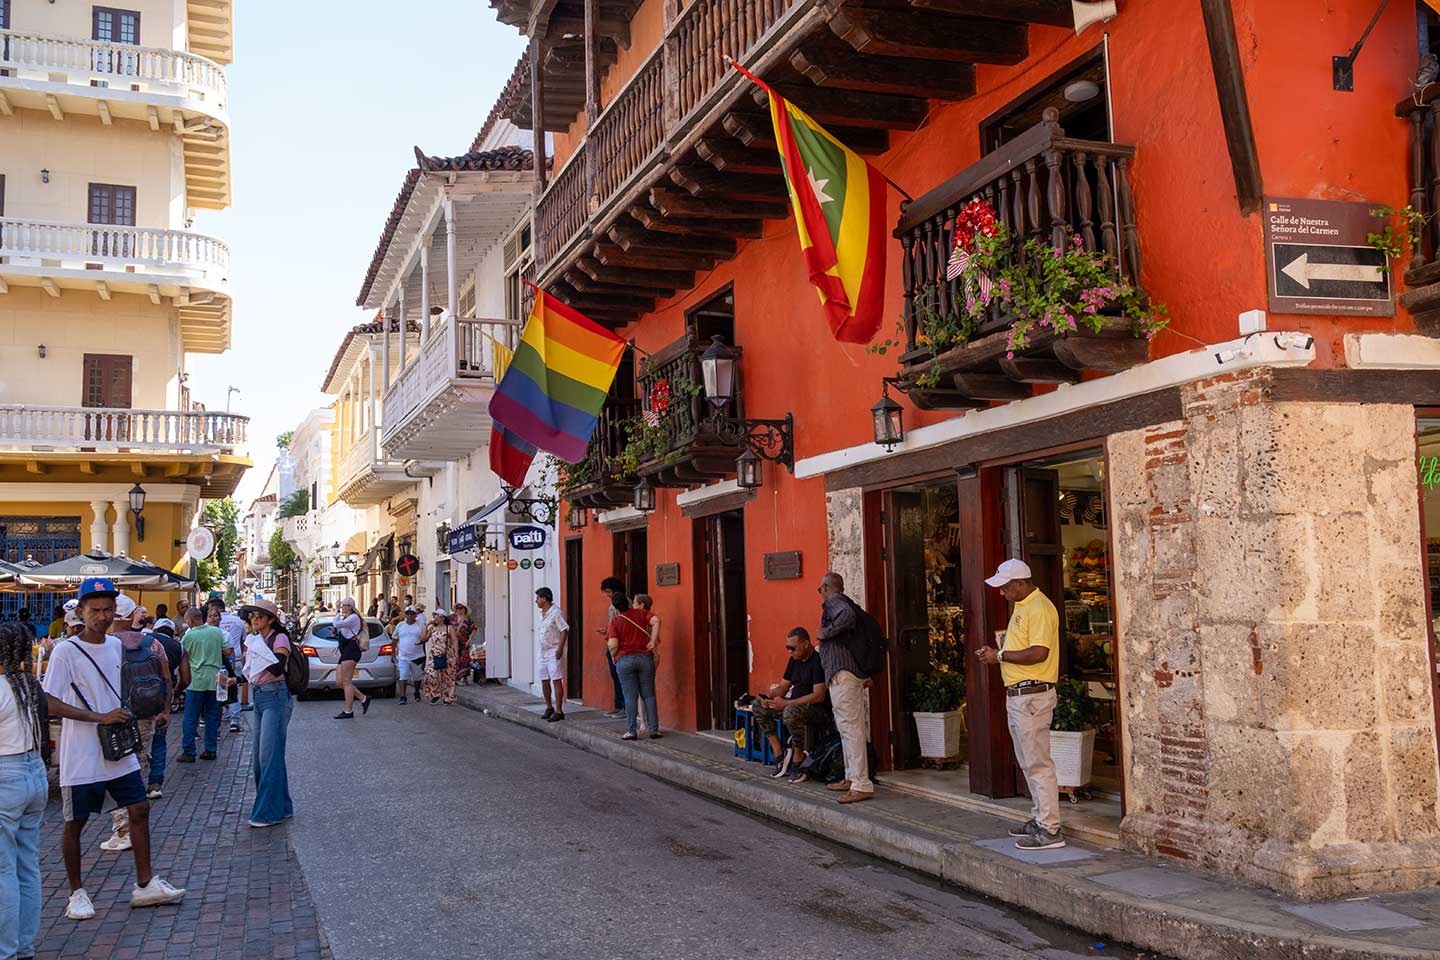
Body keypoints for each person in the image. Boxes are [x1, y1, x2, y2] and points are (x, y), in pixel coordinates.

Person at [41, 577, 186, 920]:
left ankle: (145, 883)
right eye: (95, 610)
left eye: (108, 610)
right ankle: (76, 893)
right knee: (74, 822)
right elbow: (48, 701)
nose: (103, 616)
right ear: (81, 612)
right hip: (81, 753)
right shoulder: (65, 651)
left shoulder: (115, 647)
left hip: (118, 750)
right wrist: (98, 717)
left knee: (138, 809)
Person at [977, 559, 1064, 850]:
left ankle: (1050, 829)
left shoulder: (1038, 608)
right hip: (1021, 694)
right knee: (1029, 760)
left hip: (1031, 695)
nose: (1001, 592)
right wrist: (999, 652)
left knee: (1037, 762)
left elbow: (1039, 652)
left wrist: (999, 657)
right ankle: (1041, 819)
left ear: (1020, 583)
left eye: (1005, 587)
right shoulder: (1024, 606)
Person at [102, 597, 173, 852]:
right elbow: (166, 679)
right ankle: (134, 824)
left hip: (115, 715)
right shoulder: (151, 642)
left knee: (115, 768)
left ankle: (122, 829)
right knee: (138, 766)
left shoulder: (105, 645)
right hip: (145, 714)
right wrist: (165, 710)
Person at [0, 622, 48, 960]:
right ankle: (24, 945)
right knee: (27, 866)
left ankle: (7, 950)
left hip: (7, 775)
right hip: (34, 773)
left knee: (4, 872)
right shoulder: (30, 686)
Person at [814, 572, 873, 804]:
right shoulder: (840, 602)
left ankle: (861, 783)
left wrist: (824, 633)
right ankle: (851, 777)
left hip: (844, 675)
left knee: (850, 728)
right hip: (845, 675)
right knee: (846, 727)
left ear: (828, 587)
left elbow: (846, 616)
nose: (820, 593)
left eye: (820, 589)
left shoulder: (835, 601)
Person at [239, 599, 294, 828]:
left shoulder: (278, 638)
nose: (254, 619)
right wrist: (232, 680)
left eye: (259, 616)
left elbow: (277, 667)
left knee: (267, 757)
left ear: (271, 619)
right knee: (262, 761)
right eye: (252, 616)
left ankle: (267, 812)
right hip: (260, 696)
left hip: (276, 696)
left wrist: (259, 648)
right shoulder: (255, 640)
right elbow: (252, 673)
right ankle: (282, 806)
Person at [752, 627, 829, 782]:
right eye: (787, 648)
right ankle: (779, 753)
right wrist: (770, 697)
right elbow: (784, 686)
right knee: (757, 706)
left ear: (806, 644)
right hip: (792, 706)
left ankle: (798, 756)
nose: (789, 651)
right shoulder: (794, 660)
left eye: (792, 648)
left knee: (791, 711)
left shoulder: (817, 661)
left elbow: (819, 695)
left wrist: (787, 703)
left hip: (816, 710)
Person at [178, 606, 230, 763]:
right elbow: (227, 651)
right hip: (215, 679)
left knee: (190, 717)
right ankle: (210, 749)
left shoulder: (189, 636)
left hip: (196, 680)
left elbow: (183, 657)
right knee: (212, 716)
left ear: (190, 620)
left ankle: (189, 751)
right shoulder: (216, 631)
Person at [605, 592, 660, 742]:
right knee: (649, 695)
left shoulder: (615, 621)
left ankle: (631, 731)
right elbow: (656, 620)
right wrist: (653, 641)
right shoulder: (641, 614)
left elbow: (613, 644)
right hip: (645, 658)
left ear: (615, 607)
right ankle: (654, 730)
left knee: (630, 697)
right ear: (629, 603)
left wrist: (613, 657)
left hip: (625, 660)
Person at [144, 620, 187, 800]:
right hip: (161, 692)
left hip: (136, 694)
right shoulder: (179, 647)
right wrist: (174, 694)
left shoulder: (144, 640)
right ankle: (155, 784)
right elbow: (185, 678)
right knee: (159, 739)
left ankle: (136, 781)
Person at [206, 599, 248, 732]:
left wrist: (231, 666)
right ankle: (230, 720)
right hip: (229, 662)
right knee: (223, 694)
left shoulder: (224, 634)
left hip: (225, 666)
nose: (213, 618)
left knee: (228, 692)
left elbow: (230, 651)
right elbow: (243, 640)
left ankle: (231, 720)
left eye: (215, 616)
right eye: (210, 616)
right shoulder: (237, 621)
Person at [534, 588, 569, 722]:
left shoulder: (556, 613)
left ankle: (559, 710)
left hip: (554, 651)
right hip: (542, 652)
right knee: (544, 680)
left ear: (544, 598)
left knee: (556, 680)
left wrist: (560, 648)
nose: (536, 601)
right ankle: (549, 707)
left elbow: (564, 630)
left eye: (537, 598)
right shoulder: (542, 614)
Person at [332, 597, 370, 719]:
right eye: (341, 605)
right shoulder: (348, 618)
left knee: (347, 682)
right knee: (339, 682)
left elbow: (336, 623)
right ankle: (363, 698)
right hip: (345, 651)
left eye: (343, 605)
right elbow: (340, 628)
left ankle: (348, 711)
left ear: (349, 606)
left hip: (351, 650)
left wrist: (337, 611)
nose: (342, 607)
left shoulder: (353, 618)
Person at [595, 577, 627, 719]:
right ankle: (619, 705)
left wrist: (608, 632)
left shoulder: (616, 606)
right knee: (617, 676)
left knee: (619, 676)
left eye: (608, 591)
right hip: (616, 642)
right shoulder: (624, 603)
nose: (607, 595)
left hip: (617, 645)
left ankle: (623, 706)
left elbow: (620, 625)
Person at [422, 609, 457, 705]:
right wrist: (427, 625)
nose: (435, 618)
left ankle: (447, 697)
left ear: (442, 618)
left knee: (447, 677)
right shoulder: (432, 628)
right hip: (434, 654)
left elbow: (454, 640)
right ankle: (435, 694)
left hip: (447, 654)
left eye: (436, 616)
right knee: (431, 674)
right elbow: (424, 638)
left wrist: (456, 653)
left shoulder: (449, 628)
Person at [391, 607, 426, 704]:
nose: (410, 616)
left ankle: (416, 692)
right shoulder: (400, 625)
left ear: (415, 615)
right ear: (405, 615)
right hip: (403, 656)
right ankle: (403, 696)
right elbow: (394, 639)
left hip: (417, 656)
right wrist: (393, 652)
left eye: (412, 613)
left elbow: (425, 637)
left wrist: (422, 641)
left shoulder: (421, 625)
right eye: (408, 613)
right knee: (403, 676)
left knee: (417, 677)